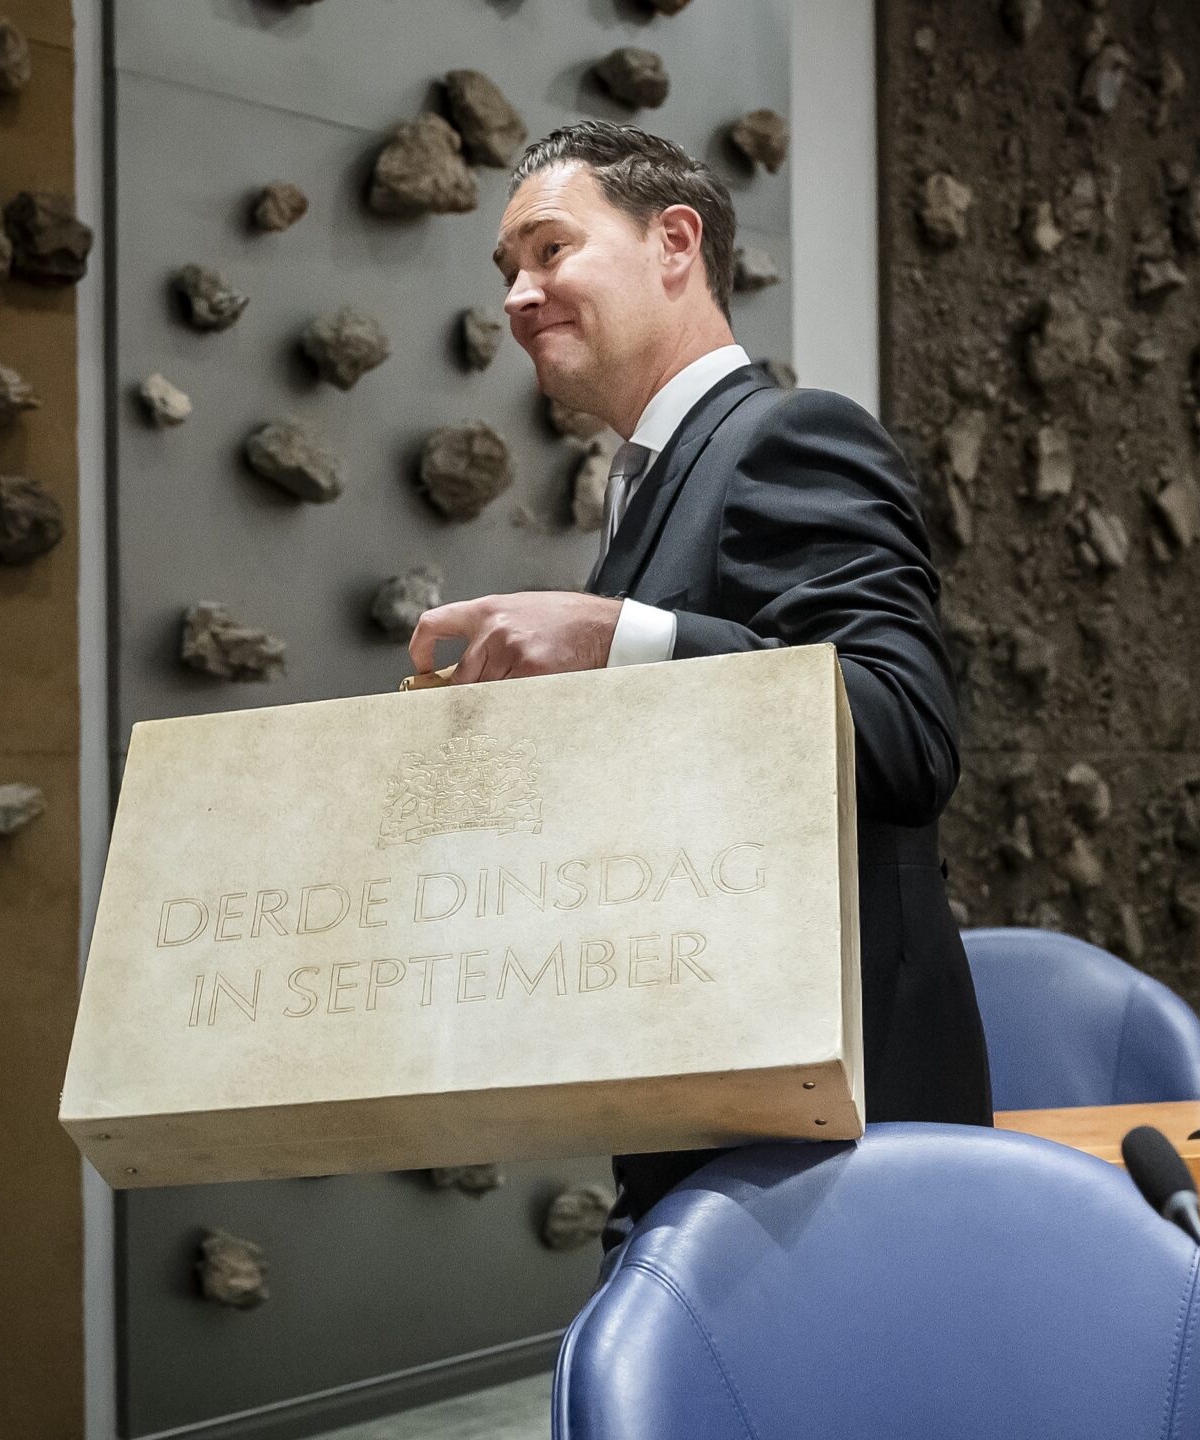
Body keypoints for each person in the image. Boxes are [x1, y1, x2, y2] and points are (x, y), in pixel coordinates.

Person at [409, 121, 992, 1236]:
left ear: (675, 242)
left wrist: (620, 637)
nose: (518, 296)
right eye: (506, 270)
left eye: (549, 250)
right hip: (714, 1135)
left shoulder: (790, 436)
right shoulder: (651, 482)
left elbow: (904, 728)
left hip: (835, 1168)